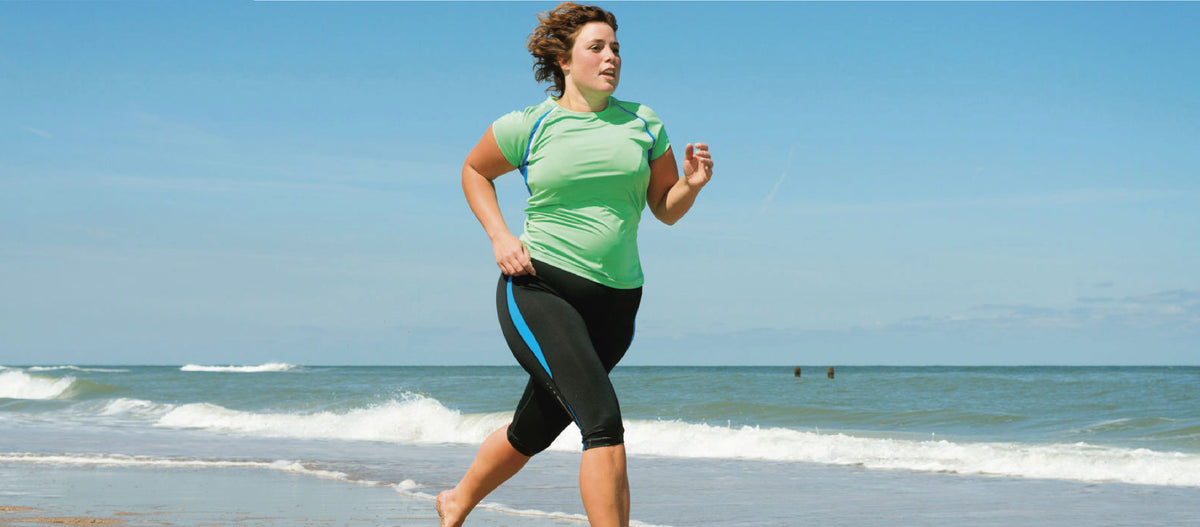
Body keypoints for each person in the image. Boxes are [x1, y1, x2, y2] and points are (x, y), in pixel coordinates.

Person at [437, 3, 713, 526]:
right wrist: (500, 236)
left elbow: (665, 210)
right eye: (597, 47)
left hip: (617, 302)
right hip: (540, 286)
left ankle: (457, 501)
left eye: (616, 48)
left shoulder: (644, 123)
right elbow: (475, 170)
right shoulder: (530, 124)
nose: (611, 58)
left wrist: (690, 187)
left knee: (533, 432)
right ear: (564, 60)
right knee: (602, 422)